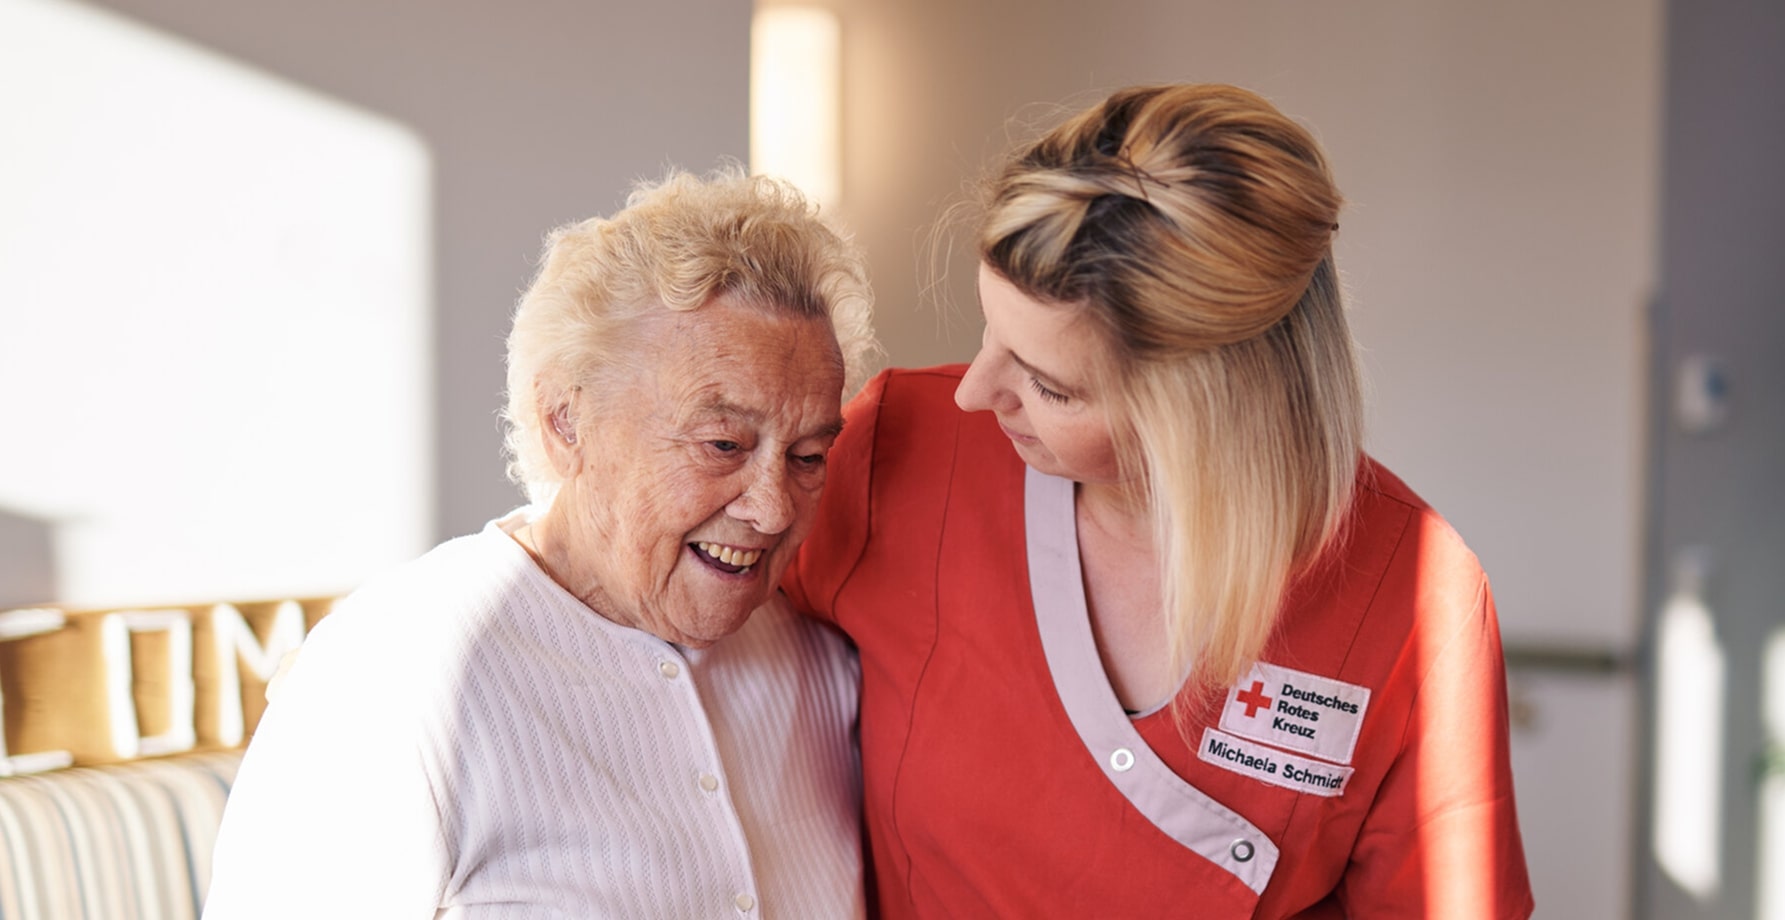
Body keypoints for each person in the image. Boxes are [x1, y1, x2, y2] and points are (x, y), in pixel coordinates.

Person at [781, 83, 1534, 918]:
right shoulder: (899, 450)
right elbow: (694, 671)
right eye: (991, 332)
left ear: (1199, 410)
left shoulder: (1414, 597)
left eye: (1049, 386)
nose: (975, 393)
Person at [203, 169, 877, 919]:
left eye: (808, 456)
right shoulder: (392, 679)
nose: (773, 509)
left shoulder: (824, 655)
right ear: (566, 421)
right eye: (723, 444)